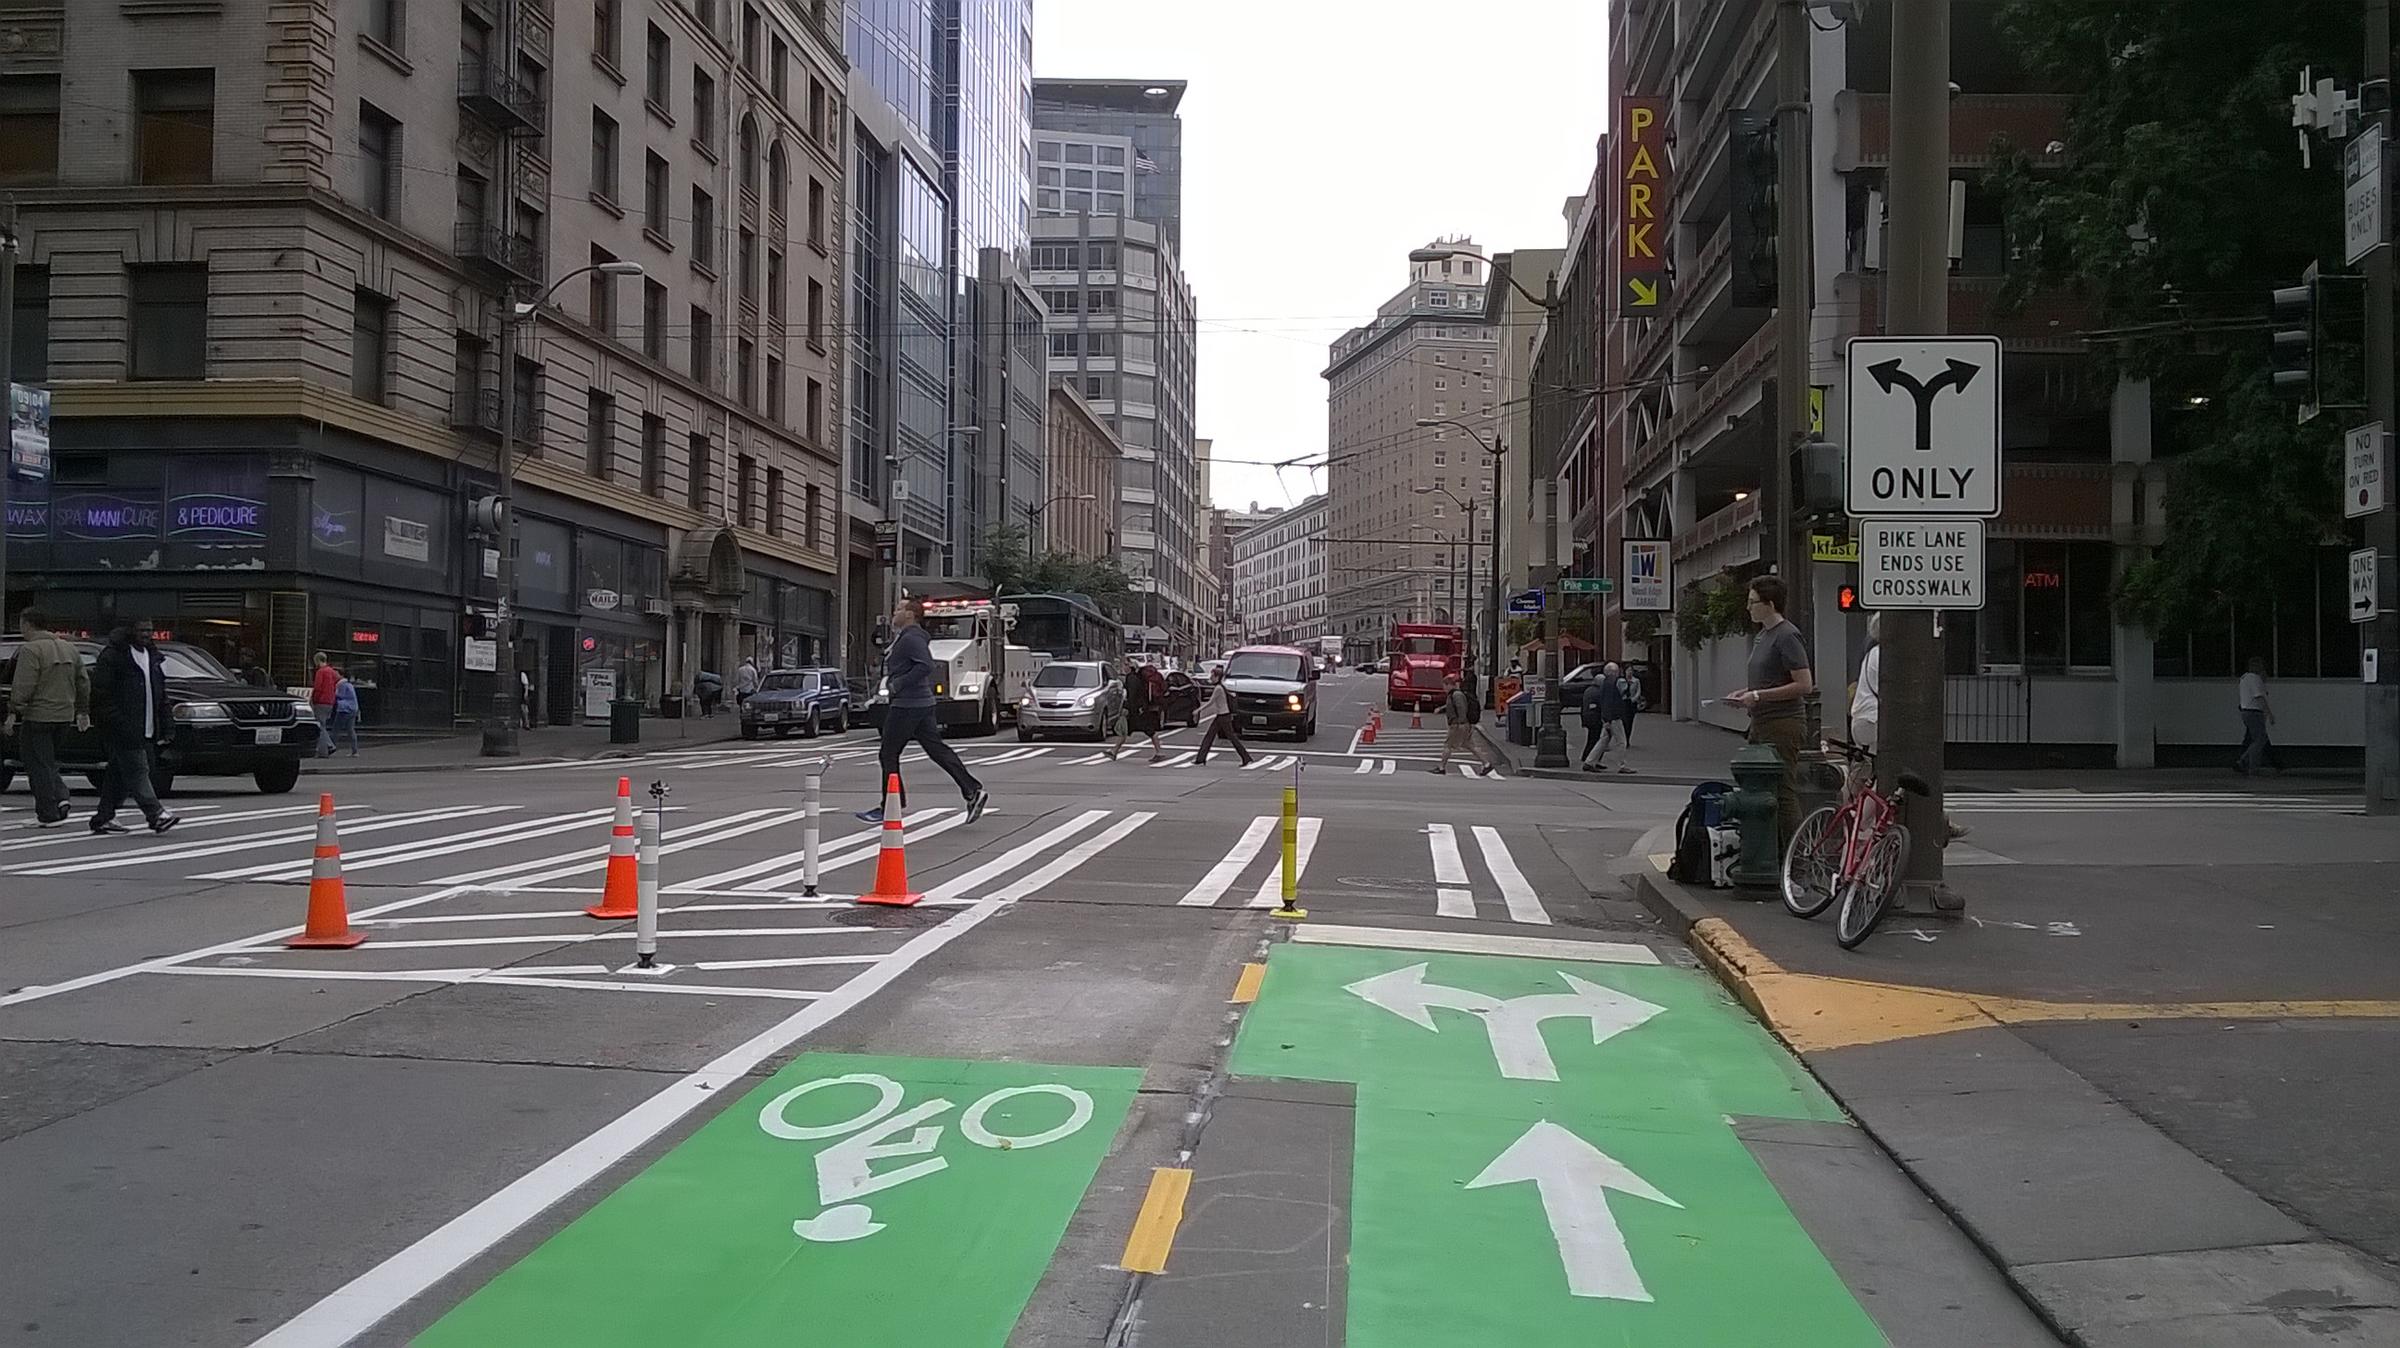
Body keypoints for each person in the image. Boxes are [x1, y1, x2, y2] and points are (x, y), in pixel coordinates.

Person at [855, 596, 990, 824]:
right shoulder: (908, 637)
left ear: (909, 614)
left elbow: (926, 665)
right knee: (936, 749)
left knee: (888, 753)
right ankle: (972, 790)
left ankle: (890, 806)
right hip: (919, 703)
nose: (894, 612)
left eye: (899, 609)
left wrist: (898, 684)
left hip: (908, 704)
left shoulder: (912, 638)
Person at [1724, 577, 1812, 848]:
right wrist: (1746, 693)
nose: (1748, 607)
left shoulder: (1787, 635)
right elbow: (1768, 680)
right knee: (1758, 786)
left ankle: (1797, 857)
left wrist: (1758, 696)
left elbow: (1804, 684)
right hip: (1761, 721)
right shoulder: (1763, 636)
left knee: (1783, 791)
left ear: (1770, 604)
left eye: (1753, 602)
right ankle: (1771, 850)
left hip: (1783, 723)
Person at [87, 623, 179, 836]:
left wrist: (167, 725)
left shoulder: (153, 656)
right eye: (141, 630)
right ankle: (156, 814)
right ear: (130, 631)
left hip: (147, 727)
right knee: (138, 770)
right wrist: (117, 722)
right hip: (123, 728)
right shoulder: (114, 656)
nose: (146, 634)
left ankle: (104, 817)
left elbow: (161, 695)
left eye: (149, 630)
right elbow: (101, 694)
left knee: (118, 773)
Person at [5, 608, 91, 828]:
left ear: (27, 624)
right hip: (64, 715)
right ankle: (60, 797)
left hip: (38, 715)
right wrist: (82, 710)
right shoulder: (69, 648)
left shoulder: (31, 649)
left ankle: (48, 812)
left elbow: (24, 684)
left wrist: (13, 711)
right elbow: (83, 681)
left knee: (36, 764)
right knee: (48, 761)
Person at [1191, 666, 1253, 766]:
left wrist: (1198, 710)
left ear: (1217, 677)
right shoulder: (1220, 687)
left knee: (1229, 738)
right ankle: (1201, 759)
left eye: (1212, 676)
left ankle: (1246, 758)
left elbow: (1210, 702)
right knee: (1211, 736)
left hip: (1223, 717)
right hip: (1222, 716)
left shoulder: (1218, 688)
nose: (1210, 678)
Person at [2236, 656, 2279, 776]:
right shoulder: (2255, 679)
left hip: (2246, 711)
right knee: (2260, 740)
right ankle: (2247, 763)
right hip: (2254, 712)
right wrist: (2269, 713)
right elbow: (2259, 697)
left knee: (2256, 739)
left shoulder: (2244, 678)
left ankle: (2248, 763)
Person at [1122, 658, 1168, 762]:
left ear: (1130, 667)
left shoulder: (1132, 678)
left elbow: (1132, 696)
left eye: (1125, 665)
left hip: (1139, 710)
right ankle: (1114, 751)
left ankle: (1159, 752)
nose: (1123, 667)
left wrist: (1127, 708)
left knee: (1149, 730)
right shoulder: (1136, 677)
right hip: (1141, 708)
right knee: (1124, 730)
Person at [1432, 671, 1478, 774]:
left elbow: (1461, 709)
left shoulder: (1456, 695)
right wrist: (1441, 709)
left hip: (1456, 724)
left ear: (1449, 685)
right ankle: (1486, 764)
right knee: (1468, 745)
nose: (1444, 689)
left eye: (1444, 686)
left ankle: (1442, 767)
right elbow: (1452, 706)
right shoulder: (1454, 695)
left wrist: (1461, 723)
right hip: (1459, 724)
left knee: (1448, 745)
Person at [1579, 667, 1621, 771]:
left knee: (1593, 738)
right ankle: (1591, 759)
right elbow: (1602, 705)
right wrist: (1606, 719)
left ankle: (1590, 759)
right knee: (1597, 739)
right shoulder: (1598, 692)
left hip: (1588, 718)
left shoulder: (1588, 690)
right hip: (1596, 719)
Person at [324, 668, 362, 757]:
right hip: (353, 709)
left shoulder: (341, 685)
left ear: (341, 675)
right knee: (350, 729)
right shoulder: (349, 684)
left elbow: (339, 695)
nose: (334, 675)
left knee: (336, 729)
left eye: (336, 674)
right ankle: (355, 751)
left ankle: (330, 748)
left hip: (344, 709)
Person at [309, 650, 340, 754]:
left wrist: (313, 700)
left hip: (321, 701)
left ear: (317, 660)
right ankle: (322, 749)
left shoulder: (320, 672)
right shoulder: (332, 671)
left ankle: (329, 745)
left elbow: (317, 688)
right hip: (330, 701)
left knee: (319, 725)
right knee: (322, 725)